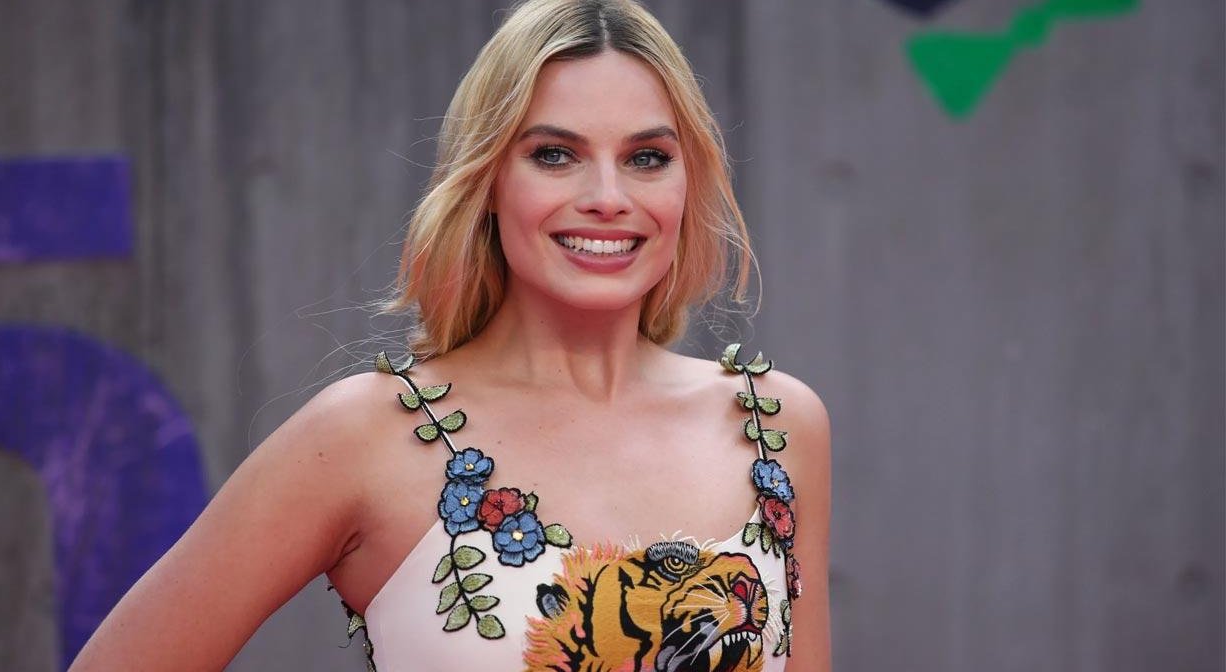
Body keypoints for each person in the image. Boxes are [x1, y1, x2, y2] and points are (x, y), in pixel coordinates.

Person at [71, 0, 831, 669]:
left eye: (647, 158)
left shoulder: (774, 424)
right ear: (489, 179)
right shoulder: (366, 435)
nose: (608, 197)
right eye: (555, 155)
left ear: (686, 181)